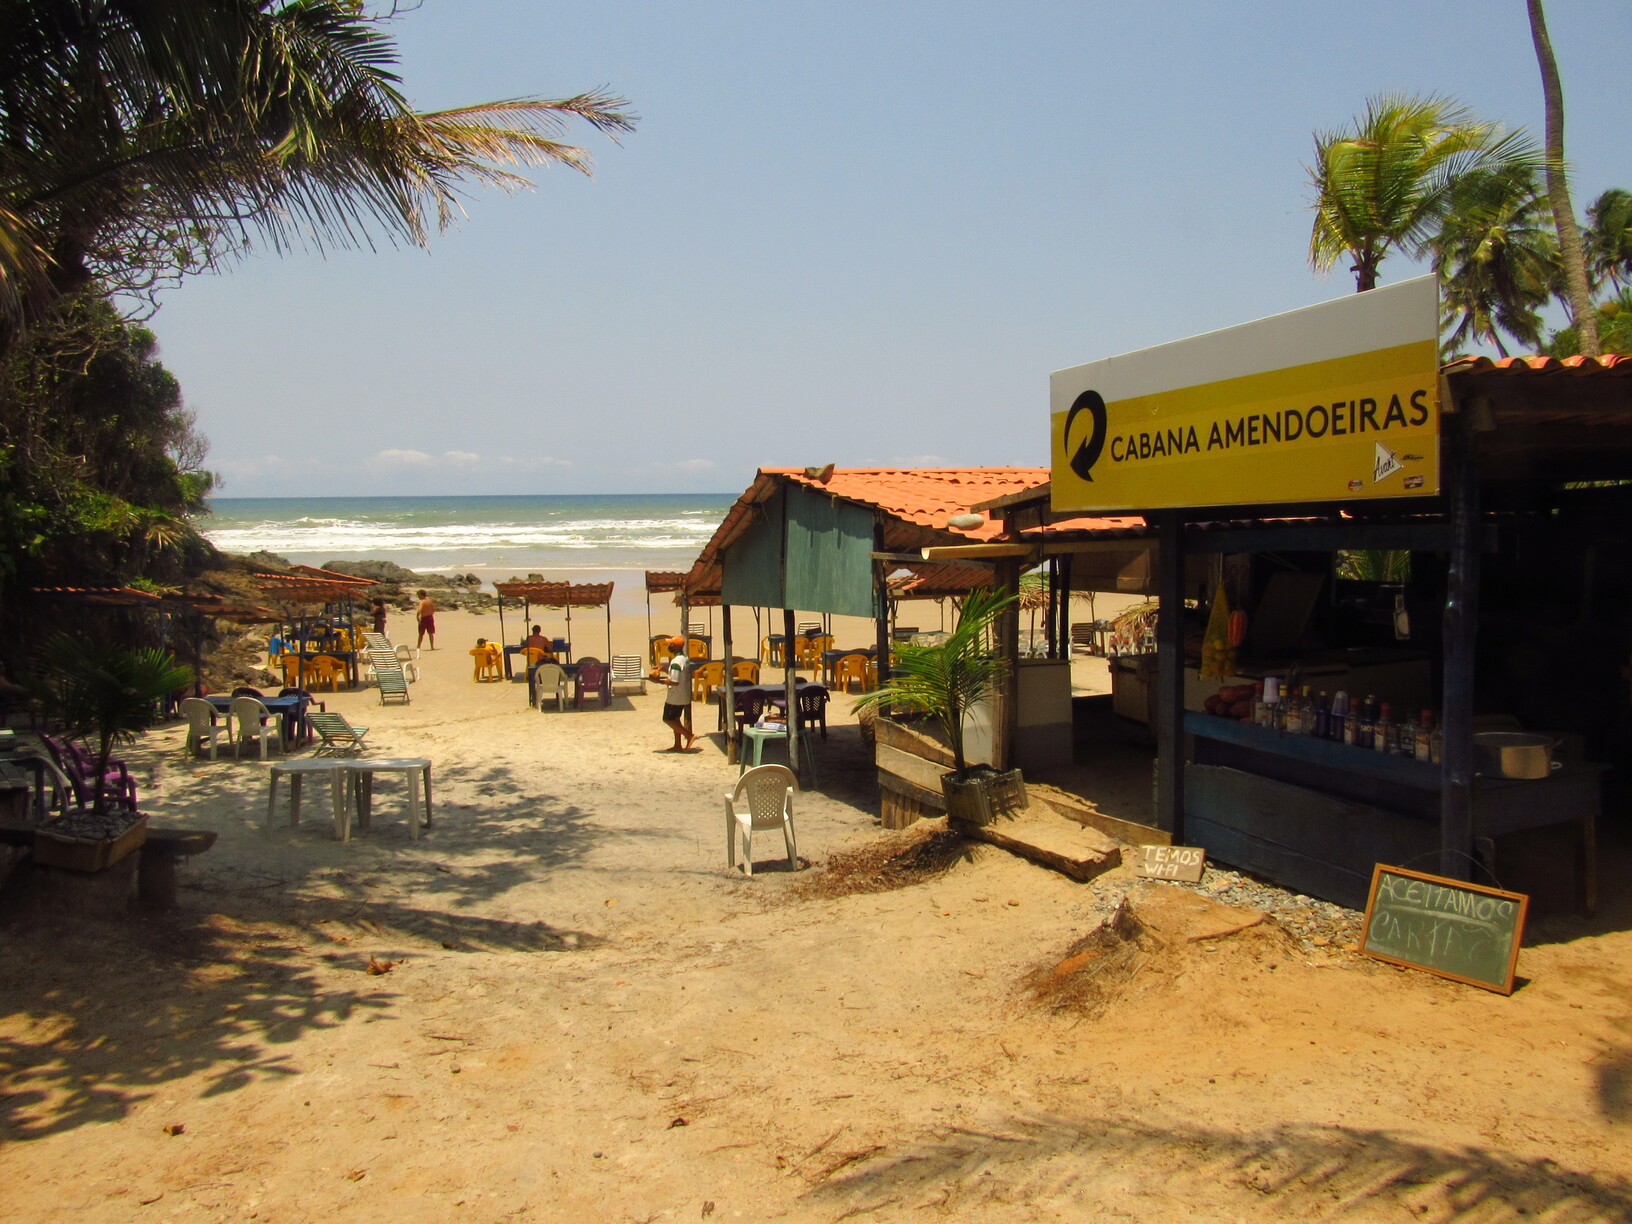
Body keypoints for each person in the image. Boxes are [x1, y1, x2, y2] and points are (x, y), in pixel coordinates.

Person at [656, 635, 695, 751]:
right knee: (676, 719)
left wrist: (660, 681)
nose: (669, 646)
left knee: (668, 719)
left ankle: (689, 735)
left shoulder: (676, 662)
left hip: (675, 697)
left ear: (677, 646)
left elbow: (674, 681)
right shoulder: (684, 658)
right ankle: (677, 744)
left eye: (671, 644)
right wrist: (665, 669)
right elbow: (678, 673)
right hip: (683, 695)